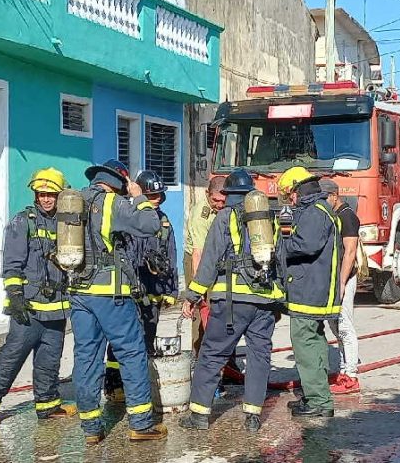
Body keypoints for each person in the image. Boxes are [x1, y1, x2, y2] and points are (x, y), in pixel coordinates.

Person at [178, 169, 286, 433]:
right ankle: (252, 416)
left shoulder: (224, 218)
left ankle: (199, 415)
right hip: (264, 302)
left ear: (229, 194)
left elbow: (209, 261)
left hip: (231, 303)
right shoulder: (269, 219)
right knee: (260, 356)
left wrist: (192, 296)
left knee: (213, 354)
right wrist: (280, 299)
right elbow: (280, 261)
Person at [69, 159, 168, 444]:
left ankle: (90, 429)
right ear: (120, 182)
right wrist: (138, 196)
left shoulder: (74, 202)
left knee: (86, 357)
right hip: (110, 296)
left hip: (79, 294)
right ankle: (141, 424)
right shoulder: (111, 203)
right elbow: (150, 225)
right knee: (132, 353)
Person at [0, 168, 77, 427]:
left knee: (49, 359)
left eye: (51, 195)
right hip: (29, 307)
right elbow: (11, 265)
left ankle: (47, 405)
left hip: (56, 306)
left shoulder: (67, 224)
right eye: (41, 194)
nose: (46, 199)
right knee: (12, 357)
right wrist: (15, 295)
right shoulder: (22, 222)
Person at [103, 170, 178, 403]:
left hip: (154, 289)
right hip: (130, 289)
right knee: (121, 340)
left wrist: (171, 291)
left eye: (159, 195)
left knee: (147, 337)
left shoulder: (164, 223)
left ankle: (139, 387)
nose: (156, 199)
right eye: (151, 195)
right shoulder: (128, 218)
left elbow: (171, 256)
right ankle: (114, 385)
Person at [276, 166, 342, 418]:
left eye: (290, 194)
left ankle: (319, 402)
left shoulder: (315, 213)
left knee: (305, 343)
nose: (289, 200)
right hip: (313, 288)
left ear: (299, 189)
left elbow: (306, 245)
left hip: (310, 291)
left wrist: (280, 245)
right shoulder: (317, 209)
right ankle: (314, 394)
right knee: (314, 343)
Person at [320, 179, 361, 394]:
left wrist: (342, 283)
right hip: (333, 278)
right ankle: (343, 370)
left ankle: (351, 375)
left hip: (343, 278)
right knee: (335, 327)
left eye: (325, 197)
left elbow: (350, 252)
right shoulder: (333, 215)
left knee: (345, 327)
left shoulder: (347, 217)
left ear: (335, 196)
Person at [184, 176, 227, 354]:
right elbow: (198, 254)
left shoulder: (227, 208)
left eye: (223, 201)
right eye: (215, 200)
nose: (219, 205)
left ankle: (226, 361)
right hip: (198, 261)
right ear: (207, 193)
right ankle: (199, 355)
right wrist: (197, 290)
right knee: (201, 308)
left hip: (219, 259)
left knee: (222, 309)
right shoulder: (201, 215)